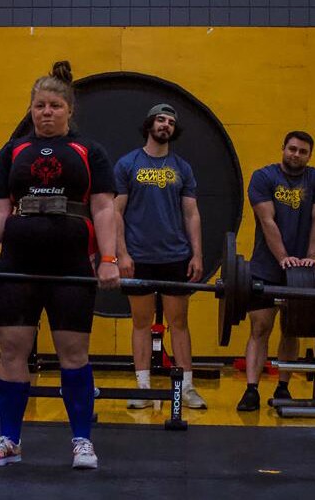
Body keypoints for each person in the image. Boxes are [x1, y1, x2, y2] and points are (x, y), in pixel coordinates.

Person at [0, 61, 119, 469]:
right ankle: (9, 440)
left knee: (73, 352)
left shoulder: (90, 152)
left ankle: (82, 441)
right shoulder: (12, 151)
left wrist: (108, 259)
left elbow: (104, 208)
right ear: (31, 109)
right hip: (18, 263)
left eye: (54, 105)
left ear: (68, 109)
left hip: (70, 264)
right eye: (38, 106)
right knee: (12, 351)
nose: (46, 112)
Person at [114, 103, 207, 410]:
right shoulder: (128, 164)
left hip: (175, 256)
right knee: (140, 322)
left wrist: (197, 254)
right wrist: (122, 254)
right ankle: (143, 388)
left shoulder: (183, 167)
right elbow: (116, 212)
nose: (165, 124)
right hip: (138, 256)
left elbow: (191, 214)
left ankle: (188, 387)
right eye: (160, 119)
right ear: (149, 125)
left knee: (178, 322)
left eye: (170, 121)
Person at [236, 131, 315, 411]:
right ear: (283, 149)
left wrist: (311, 258)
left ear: (309, 155)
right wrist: (283, 258)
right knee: (260, 327)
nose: (296, 155)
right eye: (292, 149)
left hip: (302, 268)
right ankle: (252, 390)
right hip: (266, 266)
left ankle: (283, 386)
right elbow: (267, 220)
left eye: (303, 151)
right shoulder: (263, 177)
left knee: (291, 329)